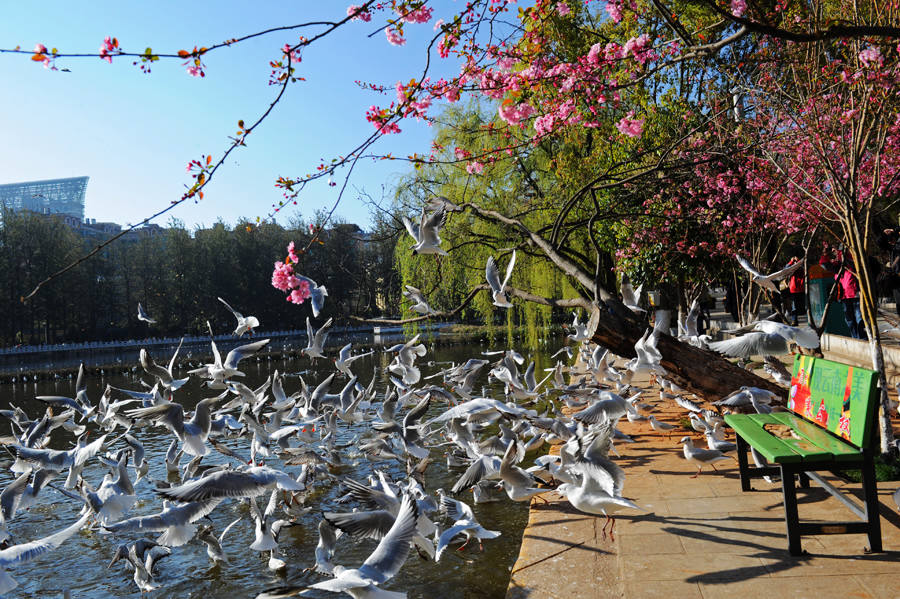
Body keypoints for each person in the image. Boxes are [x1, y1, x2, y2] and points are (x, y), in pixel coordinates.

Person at [836, 259, 867, 340]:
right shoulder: (836, 266)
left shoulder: (851, 262)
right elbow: (824, 264)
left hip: (855, 295)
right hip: (844, 296)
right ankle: (855, 338)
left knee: (859, 319)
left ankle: (863, 339)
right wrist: (825, 251)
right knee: (849, 320)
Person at [786, 253, 805, 326]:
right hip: (794, 289)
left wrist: (799, 261)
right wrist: (791, 262)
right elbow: (785, 269)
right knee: (794, 307)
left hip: (802, 288)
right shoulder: (792, 267)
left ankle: (798, 319)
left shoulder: (802, 266)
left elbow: (804, 268)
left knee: (802, 306)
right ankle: (794, 320)